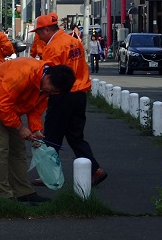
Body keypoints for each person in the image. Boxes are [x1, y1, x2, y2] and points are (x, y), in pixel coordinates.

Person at [0, 57, 76, 203]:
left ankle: (22, 191)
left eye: (54, 92)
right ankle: (3, 196)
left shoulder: (48, 86)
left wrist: (35, 129)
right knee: (0, 148)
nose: (49, 92)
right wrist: (20, 127)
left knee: (18, 148)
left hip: (9, 104)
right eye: (51, 88)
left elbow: (35, 109)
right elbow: (2, 106)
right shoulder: (24, 73)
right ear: (48, 76)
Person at [31, 13, 108, 186]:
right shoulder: (74, 41)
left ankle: (48, 175)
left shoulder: (52, 48)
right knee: (75, 136)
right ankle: (95, 170)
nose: (38, 36)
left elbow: (48, 77)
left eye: (39, 32)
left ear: (47, 29)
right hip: (80, 93)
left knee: (51, 136)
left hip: (61, 95)